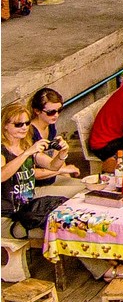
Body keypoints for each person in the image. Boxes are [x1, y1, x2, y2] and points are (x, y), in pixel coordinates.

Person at [3, 104, 75, 256]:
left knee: (68, 222)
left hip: (28, 207)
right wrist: (26, 154)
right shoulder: (4, 151)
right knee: (61, 232)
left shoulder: (25, 146)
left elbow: (52, 166)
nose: (24, 127)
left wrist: (62, 153)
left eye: (27, 123)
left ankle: (107, 264)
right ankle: (106, 269)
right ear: (5, 126)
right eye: (18, 124)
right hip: (8, 215)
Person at [22, 91, 81, 193]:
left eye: (59, 110)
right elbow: (30, 172)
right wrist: (62, 170)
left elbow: (55, 155)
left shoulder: (50, 125)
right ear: (37, 111)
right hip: (34, 188)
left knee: (84, 188)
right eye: (51, 112)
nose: (56, 115)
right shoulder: (29, 133)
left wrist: (68, 178)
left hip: (52, 179)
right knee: (78, 193)